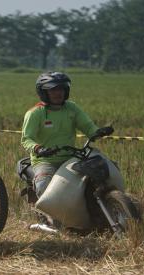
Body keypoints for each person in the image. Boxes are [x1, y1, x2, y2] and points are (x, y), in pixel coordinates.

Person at [21, 71, 113, 199]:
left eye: (61, 89)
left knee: (97, 177)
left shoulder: (72, 108)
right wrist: (39, 148)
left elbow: (87, 126)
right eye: (53, 90)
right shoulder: (35, 113)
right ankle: (46, 217)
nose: (58, 93)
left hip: (70, 158)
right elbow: (26, 139)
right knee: (45, 188)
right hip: (45, 161)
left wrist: (97, 132)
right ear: (44, 92)